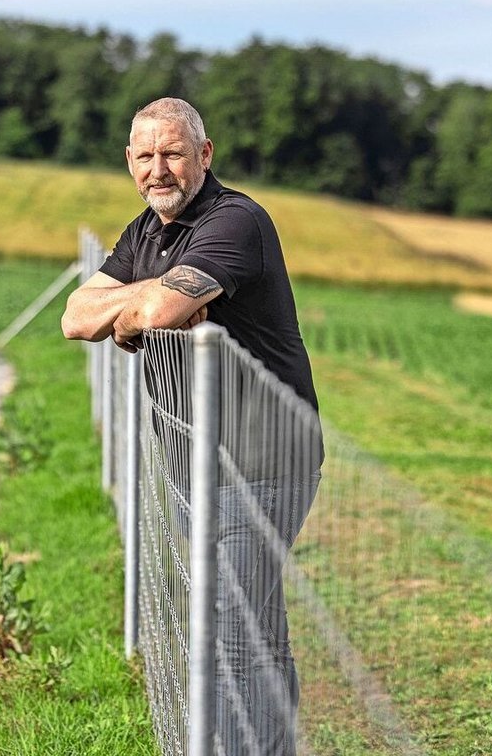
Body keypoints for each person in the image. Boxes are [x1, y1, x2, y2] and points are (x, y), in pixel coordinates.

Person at [61, 97, 321, 755]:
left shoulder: (236, 222)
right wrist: (139, 306)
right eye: (145, 156)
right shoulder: (144, 232)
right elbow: (75, 316)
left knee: (231, 631)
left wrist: (144, 308)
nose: (159, 169)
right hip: (195, 461)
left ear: (205, 154)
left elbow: (165, 305)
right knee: (252, 627)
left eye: (173, 152)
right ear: (129, 161)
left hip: (264, 459)